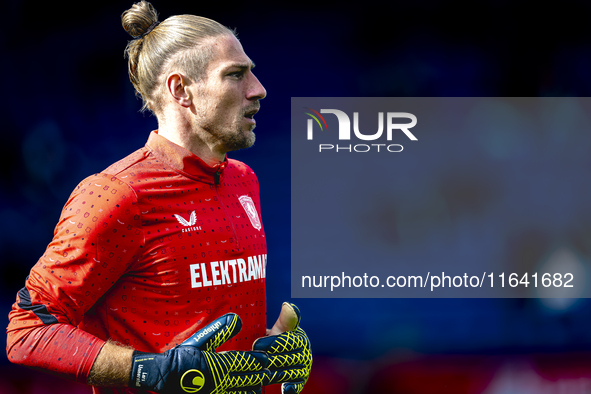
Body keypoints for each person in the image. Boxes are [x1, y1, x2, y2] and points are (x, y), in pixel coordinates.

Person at [6, 2, 311, 393]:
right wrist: (151, 369)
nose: (258, 89)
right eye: (235, 74)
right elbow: (27, 330)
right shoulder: (116, 194)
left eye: (251, 72)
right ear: (181, 89)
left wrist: (271, 353)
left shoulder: (243, 180)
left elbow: (207, 340)